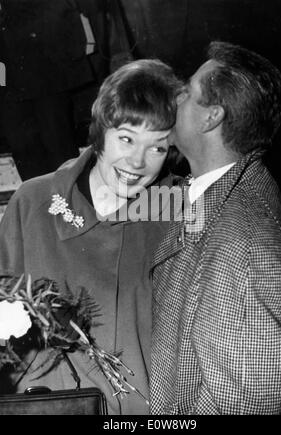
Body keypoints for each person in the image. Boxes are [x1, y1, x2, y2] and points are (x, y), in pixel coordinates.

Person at [0, 58, 182, 415]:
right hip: (47, 407)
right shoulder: (33, 202)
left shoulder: (175, 210)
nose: (137, 162)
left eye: (157, 147)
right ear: (101, 130)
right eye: (126, 138)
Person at [150, 41, 281, 415]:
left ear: (210, 118)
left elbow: (248, 403)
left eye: (186, 94)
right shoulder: (225, 192)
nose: (175, 100)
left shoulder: (243, 243)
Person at [0, 0, 106, 180]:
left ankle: (70, 201)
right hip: (10, 59)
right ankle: (39, 203)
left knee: (55, 137)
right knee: (23, 143)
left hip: (44, 49)